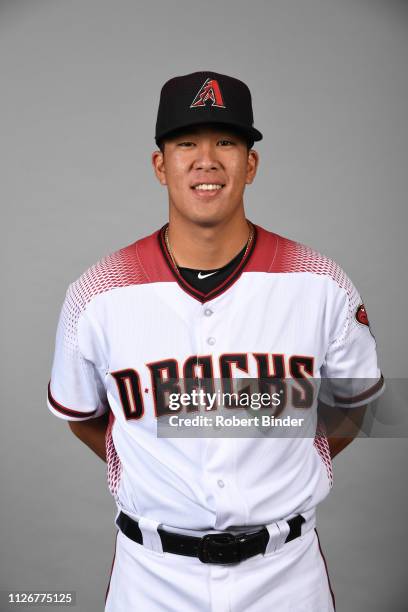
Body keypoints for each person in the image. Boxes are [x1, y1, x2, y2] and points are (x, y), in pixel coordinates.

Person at [47, 71, 384, 611]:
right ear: (161, 165)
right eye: (186, 143)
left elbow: (357, 402)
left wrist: (304, 453)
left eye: (226, 141)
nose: (207, 160)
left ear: (251, 164)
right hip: (152, 577)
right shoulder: (97, 291)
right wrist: (134, 458)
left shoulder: (320, 282)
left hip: (285, 576)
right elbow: (82, 414)